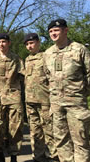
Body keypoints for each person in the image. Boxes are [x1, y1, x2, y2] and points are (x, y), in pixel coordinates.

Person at [43, 19, 90, 162]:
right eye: (51, 31)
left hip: (76, 103)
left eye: (56, 30)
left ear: (66, 30)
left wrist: (81, 94)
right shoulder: (47, 53)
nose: (53, 34)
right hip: (56, 104)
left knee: (80, 140)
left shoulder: (79, 49)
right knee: (61, 140)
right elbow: (47, 76)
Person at [0, 33, 24, 162]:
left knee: (15, 127)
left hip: (13, 96)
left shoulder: (16, 58)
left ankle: (14, 155)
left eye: (4, 41)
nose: (1, 44)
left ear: (9, 43)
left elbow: (23, 76)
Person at [23, 33, 58, 162]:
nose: (29, 46)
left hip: (44, 100)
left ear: (38, 42)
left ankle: (54, 156)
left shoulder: (46, 57)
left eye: (31, 43)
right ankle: (38, 156)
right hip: (30, 101)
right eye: (27, 44)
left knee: (49, 130)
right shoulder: (26, 59)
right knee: (35, 131)